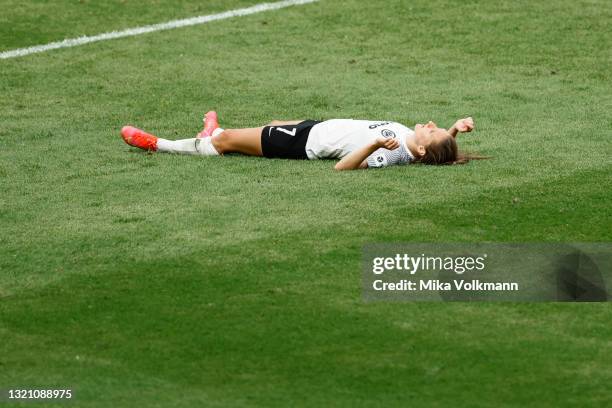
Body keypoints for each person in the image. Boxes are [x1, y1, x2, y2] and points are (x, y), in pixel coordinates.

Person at [120, 111, 477, 170]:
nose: (431, 123)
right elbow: (433, 152)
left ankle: (158, 144)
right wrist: (455, 129)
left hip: (303, 143)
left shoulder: (396, 150)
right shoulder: (413, 144)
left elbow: (342, 167)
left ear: (420, 147)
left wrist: (369, 148)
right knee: (267, 125)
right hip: (316, 127)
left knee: (227, 141)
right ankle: (211, 134)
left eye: (433, 129)